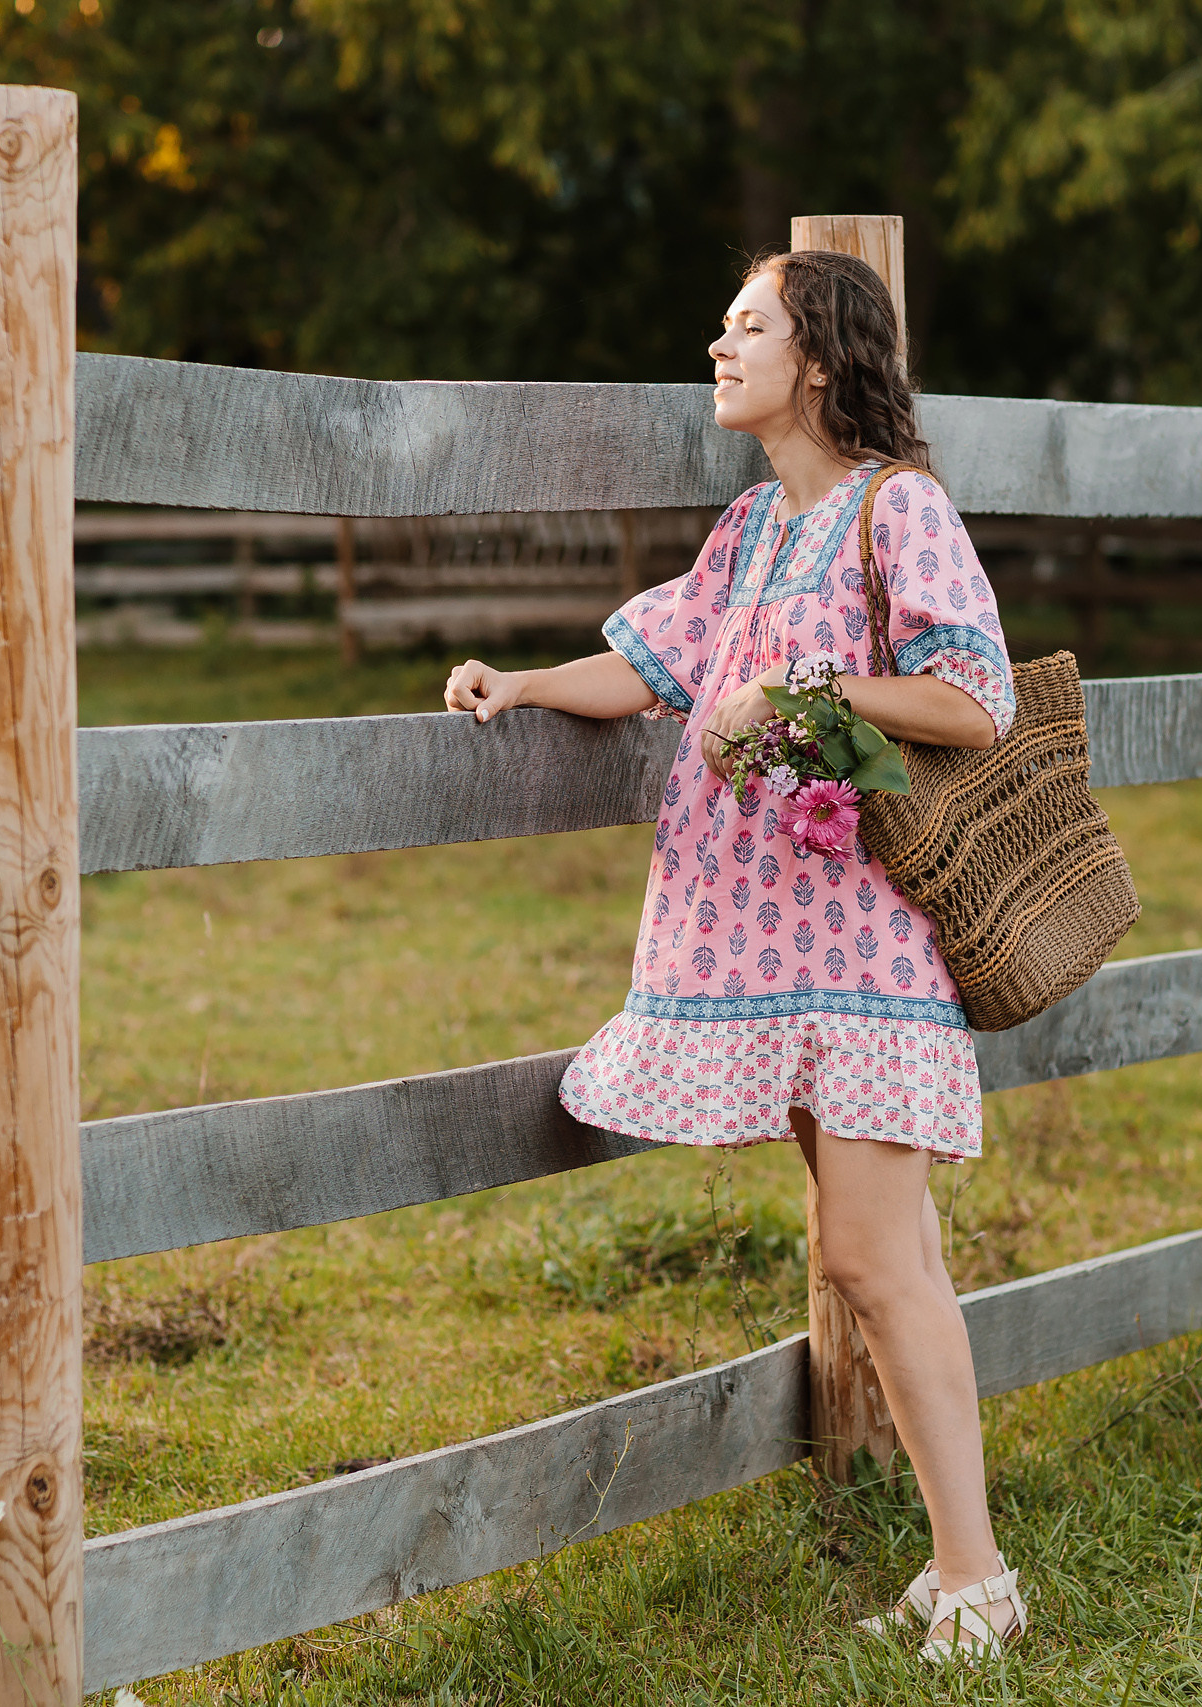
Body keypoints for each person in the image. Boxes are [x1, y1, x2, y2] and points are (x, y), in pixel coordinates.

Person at [441, 250, 1028, 1660]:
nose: (719, 345)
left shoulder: (905, 510)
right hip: (770, 942)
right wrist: (520, 682)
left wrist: (802, 689)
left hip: (863, 942)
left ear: (816, 356)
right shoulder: (755, 526)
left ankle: (980, 1576)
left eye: (746, 325)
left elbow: (974, 695)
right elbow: (655, 664)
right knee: (883, 1257)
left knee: (873, 1254)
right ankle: (961, 1569)